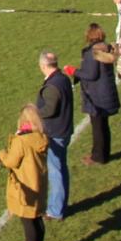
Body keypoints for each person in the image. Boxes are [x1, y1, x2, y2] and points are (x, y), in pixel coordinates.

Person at [0, 104, 49, 241]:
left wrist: (1, 153)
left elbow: (11, 162)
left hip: (26, 185)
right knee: (37, 218)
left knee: (28, 220)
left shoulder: (22, 140)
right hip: (39, 184)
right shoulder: (40, 137)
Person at [71, 23, 119, 165]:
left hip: (96, 94)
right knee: (103, 126)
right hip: (106, 92)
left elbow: (90, 74)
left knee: (98, 127)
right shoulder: (107, 49)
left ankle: (98, 156)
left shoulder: (92, 53)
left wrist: (74, 72)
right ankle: (104, 154)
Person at [34, 51, 73, 222]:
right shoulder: (63, 79)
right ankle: (59, 205)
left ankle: (56, 210)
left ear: (43, 66)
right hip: (63, 129)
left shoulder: (52, 86)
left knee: (56, 172)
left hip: (55, 133)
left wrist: (33, 115)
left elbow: (50, 109)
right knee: (60, 169)